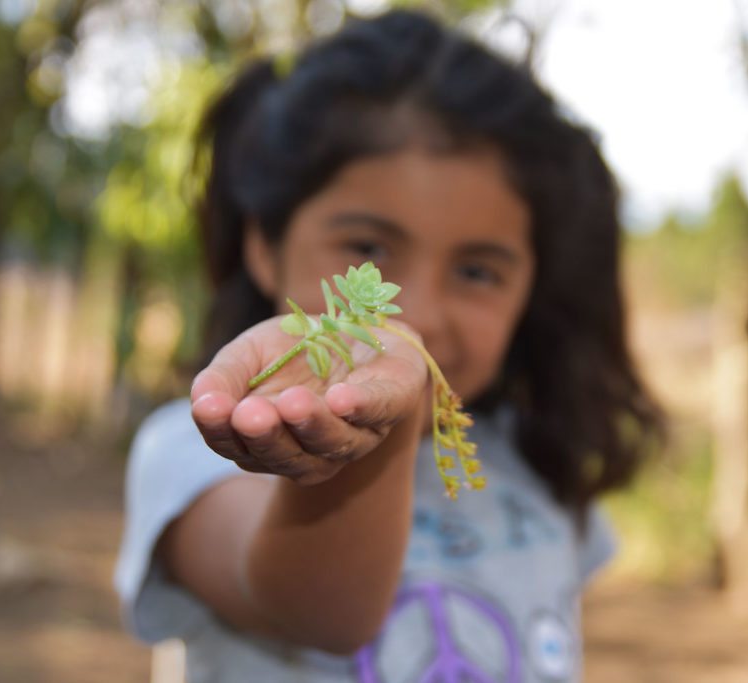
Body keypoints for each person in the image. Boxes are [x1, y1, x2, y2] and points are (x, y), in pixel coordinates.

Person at [115, 8, 663, 682]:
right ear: (264, 244)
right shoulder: (194, 452)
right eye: (367, 247)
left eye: (477, 271)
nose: (418, 314)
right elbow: (320, 612)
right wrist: (386, 420)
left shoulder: (537, 464)